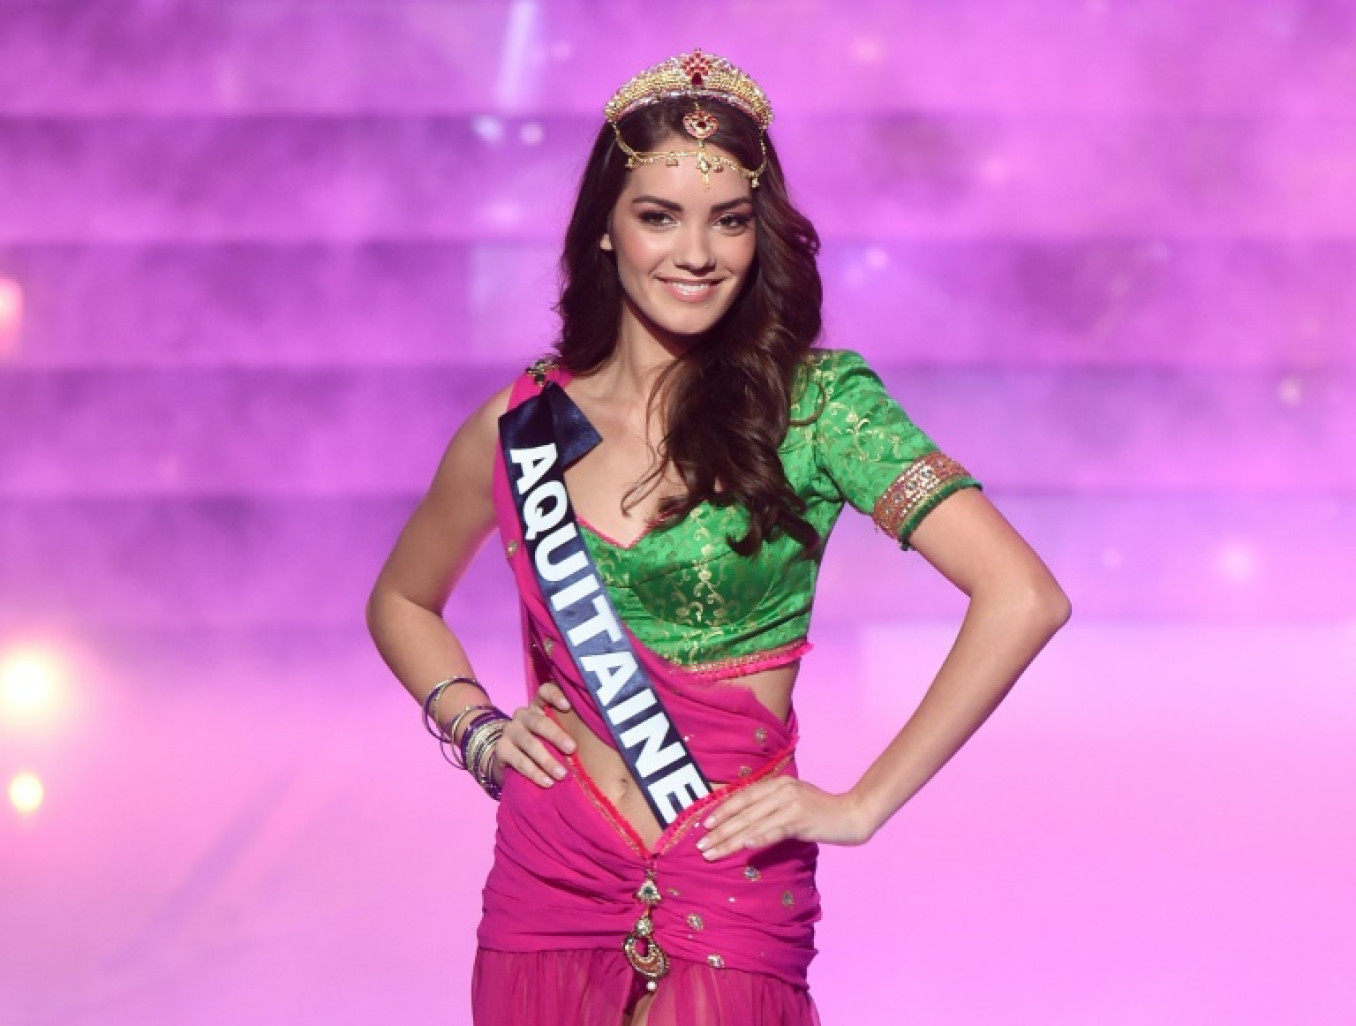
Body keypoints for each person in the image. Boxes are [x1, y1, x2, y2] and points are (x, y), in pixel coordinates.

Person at [367, 49, 1070, 1026]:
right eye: (658, 216)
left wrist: (861, 805)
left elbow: (1024, 596)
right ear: (606, 232)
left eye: (729, 221)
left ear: (760, 234)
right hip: (548, 873)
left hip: (730, 872)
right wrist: (476, 728)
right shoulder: (522, 426)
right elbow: (402, 599)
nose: (695, 253)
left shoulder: (821, 408)